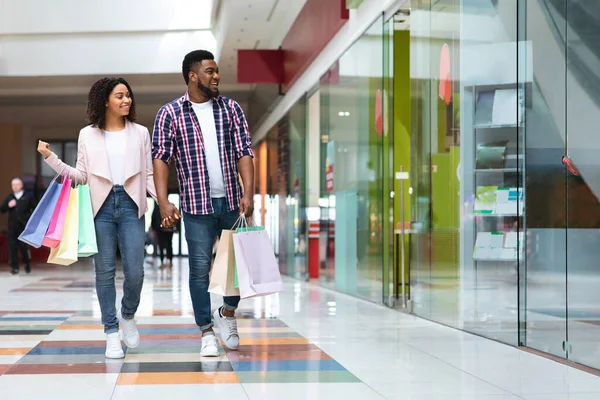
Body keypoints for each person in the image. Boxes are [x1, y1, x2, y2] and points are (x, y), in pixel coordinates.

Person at [37, 77, 170, 359]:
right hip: (102, 207)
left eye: (128, 95)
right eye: (120, 96)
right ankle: (111, 331)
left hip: (132, 203)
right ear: (105, 101)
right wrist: (51, 158)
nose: (126, 100)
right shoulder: (88, 134)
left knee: (136, 270)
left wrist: (163, 202)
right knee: (105, 271)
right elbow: (81, 176)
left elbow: (148, 174)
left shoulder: (141, 133)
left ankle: (128, 315)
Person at [152, 50, 254, 357]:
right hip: (196, 205)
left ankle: (228, 313)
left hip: (232, 204)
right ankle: (207, 331)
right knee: (199, 269)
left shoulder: (231, 109)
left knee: (236, 267)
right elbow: (160, 158)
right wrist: (163, 201)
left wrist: (248, 192)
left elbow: (244, 152)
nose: (216, 76)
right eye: (210, 71)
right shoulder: (171, 113)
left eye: (217, 71)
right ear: (193, 76)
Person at [1, 178, 36, 275]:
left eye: (17, 184)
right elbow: (2, 209)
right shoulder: (10, 197)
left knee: (24, 247)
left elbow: (35, 208)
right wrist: (8, 205)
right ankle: (14, 267)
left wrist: (30, 219)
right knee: (12, 247)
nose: (15, 186)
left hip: (24, 227)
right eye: (13, 185)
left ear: (21, 185)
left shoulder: (28, 196)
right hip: (12, 227)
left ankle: (27, 263)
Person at [151, 202, 177, 269]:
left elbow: (176, 217)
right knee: (164, 246)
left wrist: (176, 227)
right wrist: (154, 229)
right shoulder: (158, 207)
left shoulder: (170, 206)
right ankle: (165, 262)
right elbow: (153, 218)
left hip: (168, 229)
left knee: (167, 246)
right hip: (161, 229)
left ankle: (168, 262)